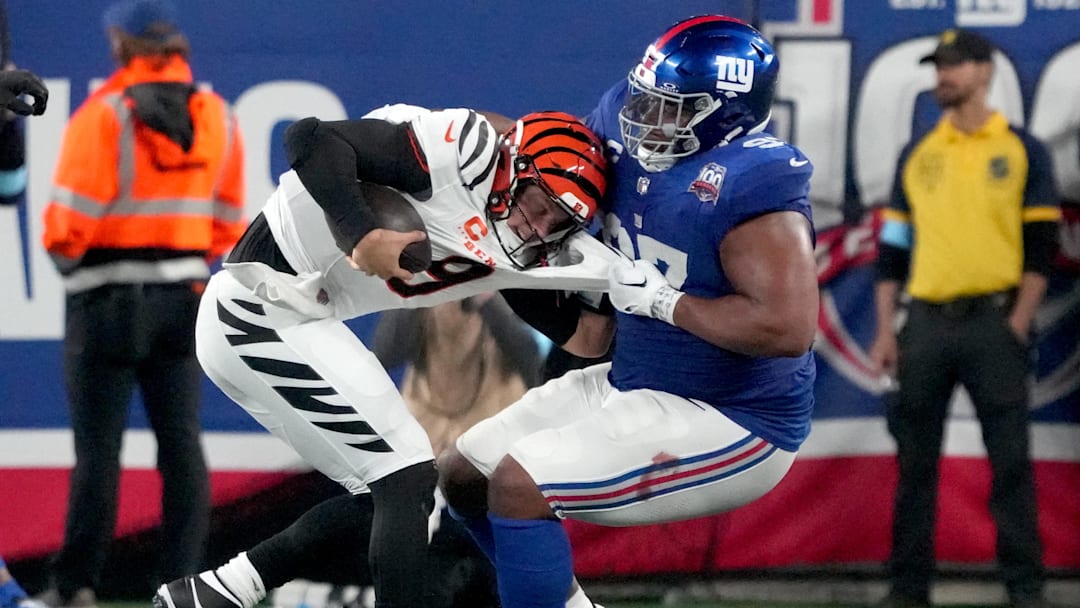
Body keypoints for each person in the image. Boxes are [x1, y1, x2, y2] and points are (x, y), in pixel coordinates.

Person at [151, 106, 614, 608]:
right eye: (538, 201)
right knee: (405, 477)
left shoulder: (524, 244)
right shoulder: (455, 154)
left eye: (557, 219)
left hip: (304, 316)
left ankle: (219, 590)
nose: (537, 224)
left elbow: (587, 337)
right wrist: (362, 233)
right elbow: (308, 139)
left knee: (404, 496)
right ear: (513, 168)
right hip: (256, 306)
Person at [437, 15, 819, 608]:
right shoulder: (624, 119)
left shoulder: (753, 185)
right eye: (647, 97)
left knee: (519, 483)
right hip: (632, 378)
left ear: (726, 113)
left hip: (733, 416)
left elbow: (787, 329)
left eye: (672, 107)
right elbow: (551, 158)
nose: (646, 117)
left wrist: (667, 303)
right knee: (463, 473)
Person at [38, 0, 246, 606]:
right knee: (182, 445)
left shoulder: (102, 117)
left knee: (97, 453)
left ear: (123, 46)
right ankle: (185, 585)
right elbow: (228, 223)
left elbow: (64, 228)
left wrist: (81, 265)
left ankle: (76, 587)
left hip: (103, 305)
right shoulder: (220, 119)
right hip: (184, 300)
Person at [867, 29, 1061, 608]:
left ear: (984, 72)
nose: (941, 78)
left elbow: (1042, 244)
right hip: (924, 327)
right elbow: (892, 250)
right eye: (937, 68)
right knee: (914, 468)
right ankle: (907, 593)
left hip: (993, 326)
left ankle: (1025, 592)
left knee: (1010, 467)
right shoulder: (920, 153)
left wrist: (1018, 321)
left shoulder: (1022, 149)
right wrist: (884, 330)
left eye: (953, 66)